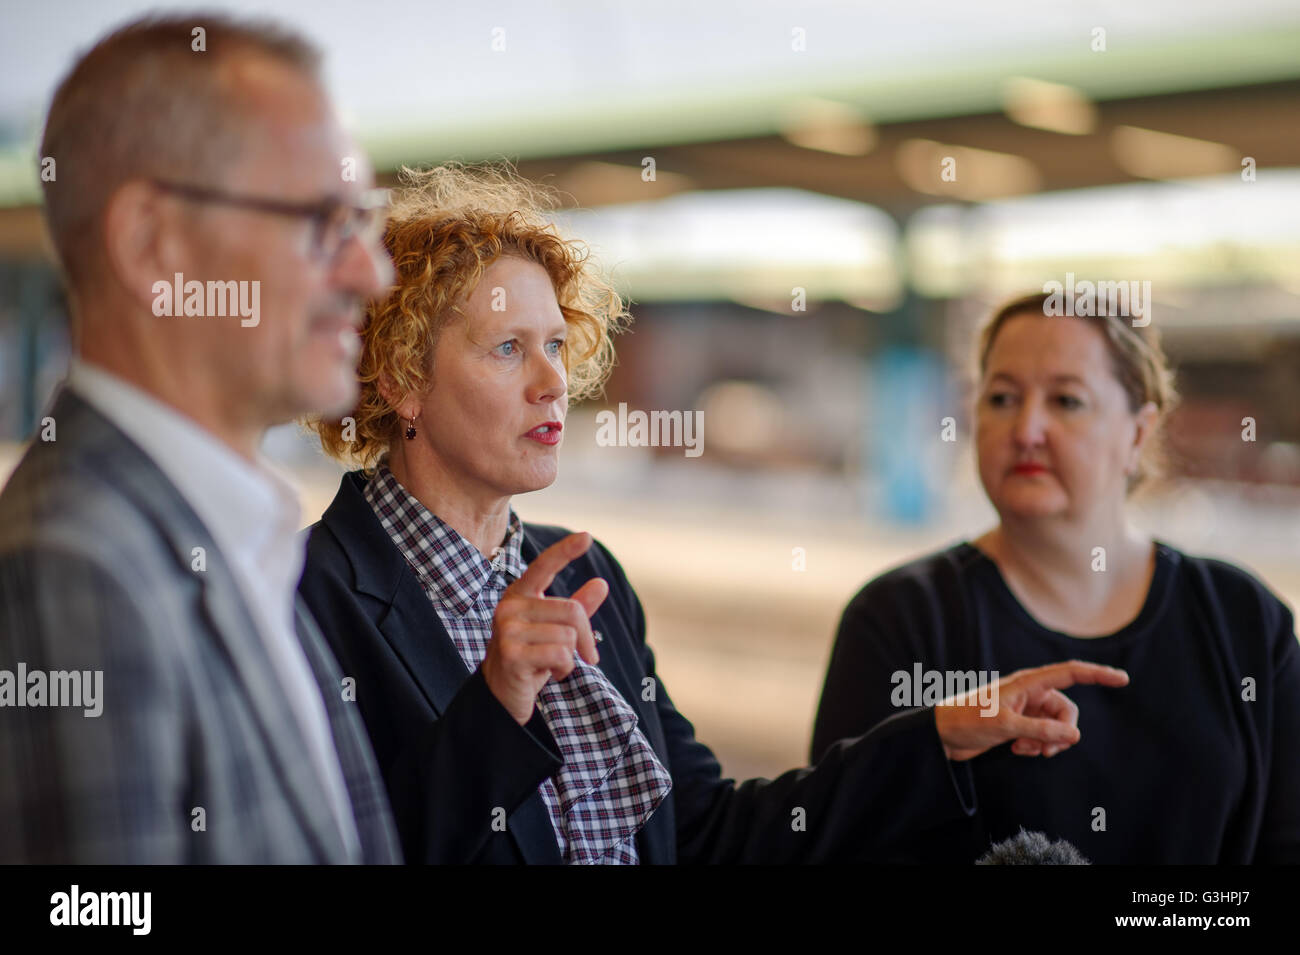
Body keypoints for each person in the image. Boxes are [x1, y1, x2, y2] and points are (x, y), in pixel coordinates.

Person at [297, 165, 1130, 864]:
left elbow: (708, 831)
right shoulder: (306, 596)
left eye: (555, 344)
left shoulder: (586, 575)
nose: (551, 381)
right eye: (507, 347)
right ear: (402, 377)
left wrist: (941, 733)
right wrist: (497, 700)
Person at [0, 15, 401, 862]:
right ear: (155, 244)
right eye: (325, 219)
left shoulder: (222, 534)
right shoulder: (76, 565)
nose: (374, 271)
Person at [812, 290, 1300, 864]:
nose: (1027, 429)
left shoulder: (1242, 619)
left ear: (1138, 433)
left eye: (1066, 400)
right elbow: (838, 841)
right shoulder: (900, 618)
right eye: (1002, 398)